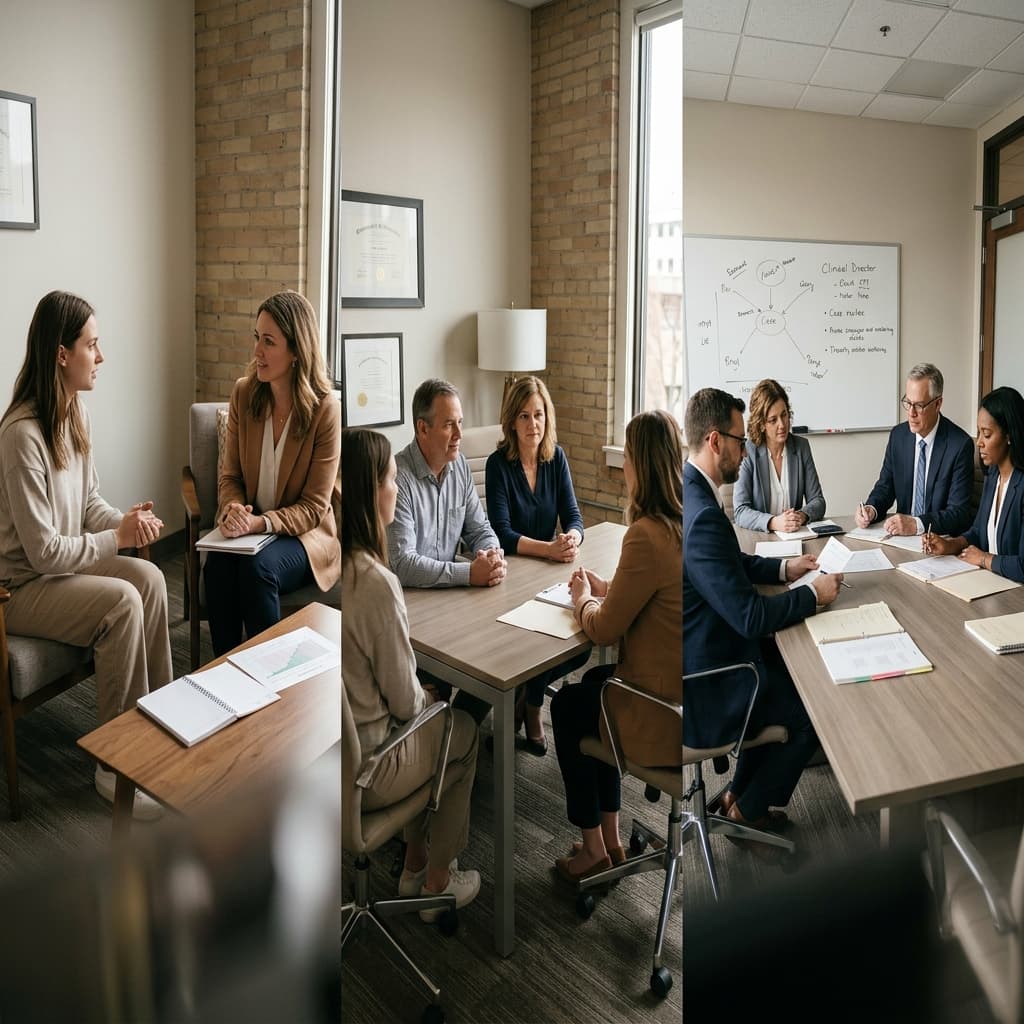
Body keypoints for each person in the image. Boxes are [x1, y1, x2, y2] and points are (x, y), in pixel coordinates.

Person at [0, 291, 172, 820]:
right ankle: (115, 767)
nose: (101, 356)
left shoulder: (75, 415)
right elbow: (46, 551)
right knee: (122, 602)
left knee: (151, 580)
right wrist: (115, 536)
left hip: (62, 567)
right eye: (92, 346)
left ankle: (164, 725)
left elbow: (90, 503)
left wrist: (126, 522)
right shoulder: (21, 436)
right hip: (22, 587)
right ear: (60, 354)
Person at [683, 388, 841, 852]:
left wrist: (784, 569)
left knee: (787, 672)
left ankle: (736, 794)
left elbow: (730, 564)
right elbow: (751, 616)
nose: (745, 447)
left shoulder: (694, 493)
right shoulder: (704, 513)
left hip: (710, 655)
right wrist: (812, 595)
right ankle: (750, 814)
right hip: (711, 681)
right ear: (715, 440)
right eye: (738, 438)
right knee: (809, 706)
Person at [341, 427, 481, 919]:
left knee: (427, 713)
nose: (397, 490)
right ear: (372, 492)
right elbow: (406, 706)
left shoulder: (329, 568)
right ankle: (438, 882)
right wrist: (426, 695)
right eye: (392, 482)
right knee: (459, 729)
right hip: (368, 770)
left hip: (328, 756)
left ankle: (415, 860)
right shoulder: (378, 583)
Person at [549, 410, 683, 883]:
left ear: (640, 465)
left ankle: (591, 850)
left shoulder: (646, 535)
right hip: (684, 694)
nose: (623, 465)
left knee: (567, 707)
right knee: (592, 683)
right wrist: (611, 588)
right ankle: (611, 840)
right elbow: (649, 599)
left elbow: (603, 631)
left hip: (660, 711)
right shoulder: (682, 526)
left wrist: (584, 599)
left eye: (627, 456)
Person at [203, 291, 340, 657]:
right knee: (216, 565)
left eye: (268, 341)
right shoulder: (245, 394)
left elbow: (314, 507)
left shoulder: (325, 410)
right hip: (250, 529)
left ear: (296, 352)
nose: (257, 352)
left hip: (304, 536)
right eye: (256, 337)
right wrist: (233, 510)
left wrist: (260, 524)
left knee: (256, 569)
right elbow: (230, 476)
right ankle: (223, 673)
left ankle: (273, 680)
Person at [387, 378, 507, 725]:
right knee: (448, 679)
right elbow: (403, 564)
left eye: (461, 422)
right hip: (413, 616)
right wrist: (470, 573)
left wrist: (491, 555)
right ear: (422, 428)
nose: (459, 434)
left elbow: (480, 528)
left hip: (452, 603)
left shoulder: (459, 469)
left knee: (497, 660)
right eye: (449, 424)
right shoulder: (399, 477)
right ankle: (444, 739)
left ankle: (457, 732)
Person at [484, 375, 588, 755]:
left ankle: (530, 700)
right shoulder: (498, 465)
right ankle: (531, 706)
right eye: (525, 416)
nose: (533, 425)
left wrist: (572, 538)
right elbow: (502, 532)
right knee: (532, 644)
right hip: (512, 577)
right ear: (512, 421)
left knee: (580, 645)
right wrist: (548, 548)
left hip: (550, 571)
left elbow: (574, 516)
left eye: (539, 415)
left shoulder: (555, 457)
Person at [854, 363, 974, 537]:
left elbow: (959, 513)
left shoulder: (959, 445)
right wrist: (871, 509)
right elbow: (885, 487)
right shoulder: (898, 436)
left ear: (938, 403)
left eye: (919, 405)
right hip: (902, 539)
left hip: (939, 540)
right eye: (908, 403)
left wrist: (916, 524)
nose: (911, 413)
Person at [922, 386, 1024, 582]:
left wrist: (983, 558)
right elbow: (978, 532)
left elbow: (1022, 565)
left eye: (986, 434)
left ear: (1009, 435)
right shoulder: (993, 475)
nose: (979, 442)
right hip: (990, 581)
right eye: (978, 432)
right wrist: (949, 545)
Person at [733, 378, 825, 532]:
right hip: (760, 540)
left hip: (794, 537)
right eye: (773, 420)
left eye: (784, 415)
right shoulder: (748, 451)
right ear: (761, 424)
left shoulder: (801, 447)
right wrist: (773, 522)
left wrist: (801, 515)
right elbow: (740, 511)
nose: (782, 425)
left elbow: (818, 501)